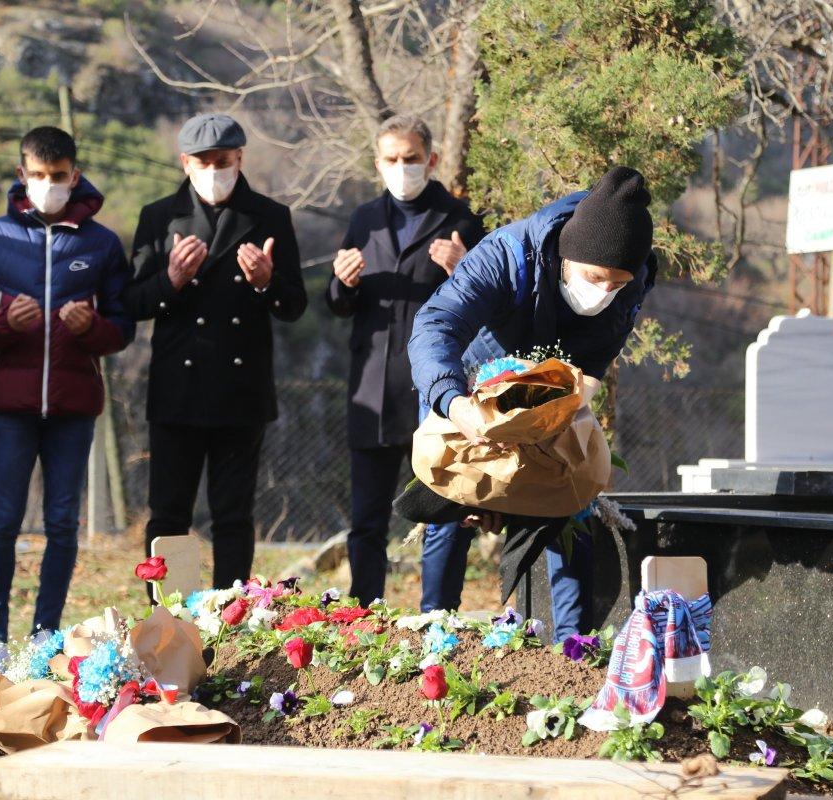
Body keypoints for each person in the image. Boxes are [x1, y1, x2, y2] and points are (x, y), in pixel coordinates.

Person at [408, 166, 658, 641]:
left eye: (617, 285)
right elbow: (436, 325)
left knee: (570, 499)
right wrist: (455, 403)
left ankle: (573, 645)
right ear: (567, 255)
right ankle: (435, 631)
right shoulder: (507, 255)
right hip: (470, 383)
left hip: (554, 393)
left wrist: (580, 392)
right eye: (593, 278)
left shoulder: (635, 276)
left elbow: (598, 352)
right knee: (451, 497)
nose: (603, 293)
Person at [0, 126, 134, 675]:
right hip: (10, 406)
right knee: (2, 520)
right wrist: (0, 322)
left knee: (62, 523)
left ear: (75, 175)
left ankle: (44, 635)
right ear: (22, 176)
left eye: (58, 177)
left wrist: (92, 327)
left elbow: (123, 328)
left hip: (73, 406)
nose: (48, 186)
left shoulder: (101, 244)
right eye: (38, 176)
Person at [125, 113, 306, 595]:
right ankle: (168, 614)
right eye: (203, 162)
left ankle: (230, 615)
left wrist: (266, 281)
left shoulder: (269, 216)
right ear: (185, 163)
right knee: (168, 514)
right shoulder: (158, 217)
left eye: (222, 161)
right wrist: (172, 281)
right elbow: (132, 303)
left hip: (239, 391)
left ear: (239, 159)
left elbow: (294, 306)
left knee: (233, 514)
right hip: (177, 391)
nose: (213, 170)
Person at [326, 114, 484, 606]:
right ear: (378, 164)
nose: (402, 167)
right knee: (367, 519)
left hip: (436, 392)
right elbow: (338, 304)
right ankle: (364, 613)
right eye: (391, 160)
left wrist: (464, 270)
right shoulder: (364, 219)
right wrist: (342, 282)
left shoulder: (461, 220)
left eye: (411, 159)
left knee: (442, 512)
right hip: (372, 388)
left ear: (431, 160)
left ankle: (437, 617)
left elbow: (490, 306)